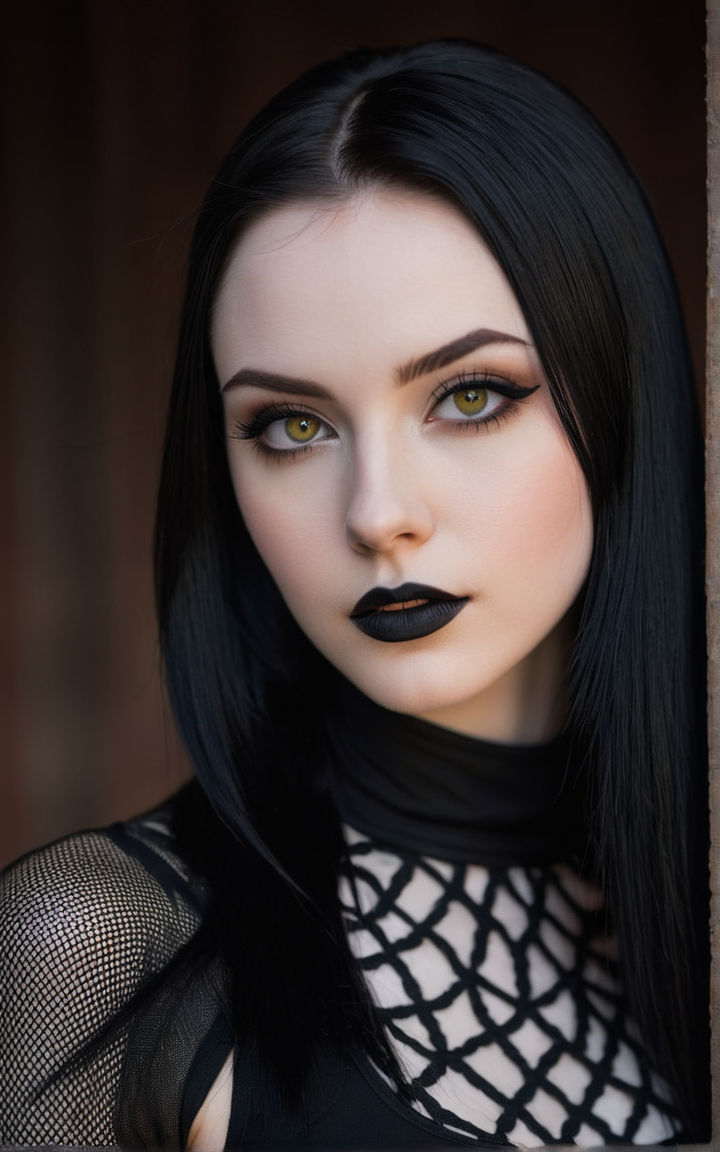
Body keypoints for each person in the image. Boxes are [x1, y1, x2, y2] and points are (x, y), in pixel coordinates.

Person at [0, 39, 709, 1150]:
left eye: (471, 396)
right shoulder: (97, 948)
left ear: (624, 400)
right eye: (292, 425)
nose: (378, 512)